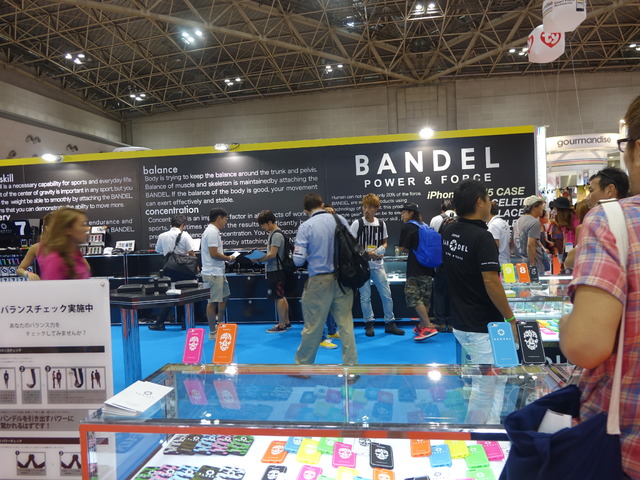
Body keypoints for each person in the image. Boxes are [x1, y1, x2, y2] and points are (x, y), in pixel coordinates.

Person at [559, 95, 640, 478]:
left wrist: (566, 324)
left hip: (624, 447)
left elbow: (585, 346)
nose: (589, 195)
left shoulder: (612, 220)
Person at [442, 180, 517, 423]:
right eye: (488, 198)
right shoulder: (482, 237)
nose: (490, 202)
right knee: (485, 385)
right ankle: (473, 432)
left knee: (498, 376)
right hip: (483, 327)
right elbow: (491, 282)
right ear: (479, 202)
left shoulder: (449, 231)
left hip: (466, 321)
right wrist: (511, 318)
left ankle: (492, 428)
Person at [292, 193, 357, 365]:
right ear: (322, 205)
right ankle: (351, 368)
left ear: (306, 211)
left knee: (313, 326)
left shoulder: (306, 226)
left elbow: (298, 260)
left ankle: (303, 367)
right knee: (346, 325)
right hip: (343, 280)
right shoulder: (340, 220)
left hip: (318, 281)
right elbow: (354, 246)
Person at [350, 193, 402, 337]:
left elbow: (385, 241)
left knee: (386, 295)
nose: (366, 210)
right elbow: (352, 244)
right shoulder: (357, 223)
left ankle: (390, 323)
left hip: (378, 265)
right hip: (362, 266)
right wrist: (367, 254)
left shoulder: (381, 224)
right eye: (364, 207)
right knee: (365, 297)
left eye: (370, 207)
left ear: (376, 208)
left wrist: (381, 249)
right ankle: (369, 324)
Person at [398, 203, 439, 342]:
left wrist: (410, 249)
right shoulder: (425, 226)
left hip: (415, 268)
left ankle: (428, 326)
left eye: (404, 212)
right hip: (428, 268)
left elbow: (402, 248)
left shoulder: (408, 227)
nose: (402, 216)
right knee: (424, 298)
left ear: (411, 213)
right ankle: (422, 326)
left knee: (414, 296)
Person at [149, 215, 196, 330]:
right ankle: (185, 322)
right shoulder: (185, 235)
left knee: (169, 295)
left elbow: (158, 250)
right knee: (185, 295)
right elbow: (191, 253)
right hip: (184, 269)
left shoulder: (162, 236)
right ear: (182, 225)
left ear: (171, 224)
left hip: (169, 269)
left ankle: (159, 323)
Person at [254, 210, 292, 334]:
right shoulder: (276, 233)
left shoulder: (276, 235)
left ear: (270, 222)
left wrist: (259, 259)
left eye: (263, 225)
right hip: (277, 270)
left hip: (275, 270)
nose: (262, 228)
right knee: (281, 296)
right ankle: (286, 322)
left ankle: (281, 325)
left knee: (278, 297)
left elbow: (272, 254)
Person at [201, 208, 234, 340]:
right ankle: (212, 332)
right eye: (225, 219)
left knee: (225, 296)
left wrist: (226, 260)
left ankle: (220, 325)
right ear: (219, 218)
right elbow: (214, 254)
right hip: (212, 273)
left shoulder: (214, 231)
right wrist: (228, 258)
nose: (226, 222)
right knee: (212, 302)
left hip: (218, 272)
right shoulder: (212, 232)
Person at [38, 207, 91, 280]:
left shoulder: (77, 255)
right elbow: (51, 287)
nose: (86, 229)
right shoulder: (55, 260)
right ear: (68, 230)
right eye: (82, 225)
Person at [16, 212, 53, 280]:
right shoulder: (36, 248)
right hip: (46, 285)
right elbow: (20, 269)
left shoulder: (67, 246)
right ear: (47, 227)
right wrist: (28, 273)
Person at [513, 195, 546, 272]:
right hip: (533, 263)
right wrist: (532, 264)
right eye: (541, 205)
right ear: (534, 207)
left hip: (521, 263)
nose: (542, 208)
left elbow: (513, 242)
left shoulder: (518, 221)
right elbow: (531, 244)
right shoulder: (534, 222)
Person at [487, 200, 511, 266]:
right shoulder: (503, 222)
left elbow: (494, 247)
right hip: (506, 261)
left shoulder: (493, 225)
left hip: (498, 263)